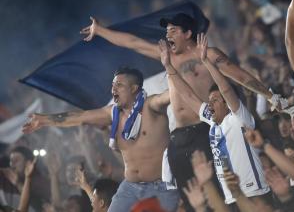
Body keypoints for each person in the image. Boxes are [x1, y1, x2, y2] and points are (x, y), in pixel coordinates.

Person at [80, 12, 284, 209]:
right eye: (167, 31)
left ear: (188, 34)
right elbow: (133, 43)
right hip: (178, 136)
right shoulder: (167, 56)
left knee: (215, 192)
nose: (168, 35)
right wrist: (100, 31)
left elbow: (241, 76)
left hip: (206, 131)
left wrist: (270, 96)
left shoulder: (209, 55)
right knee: (189, 197)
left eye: (173, 30)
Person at [22, 67, 179, 212]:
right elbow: (79, 117)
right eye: (113, 85)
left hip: (161, 185)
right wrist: (45, 120)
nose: (113, 89)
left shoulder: (151, 105)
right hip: (130, 187)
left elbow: (172, 92)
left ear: (133, 88)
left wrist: (171, 67)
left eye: (119, 85)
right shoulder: (112, 113)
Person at [159, 34, 270, 207]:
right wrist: (168, 66)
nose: (210, 104)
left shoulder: (239, 119)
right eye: (209, 101)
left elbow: (226, 89)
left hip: (254, 194)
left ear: (227, 104)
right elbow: (187, 94)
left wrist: (206, 62)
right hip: (231, 198)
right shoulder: (212, 122)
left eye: (215, 100)